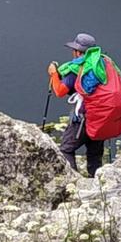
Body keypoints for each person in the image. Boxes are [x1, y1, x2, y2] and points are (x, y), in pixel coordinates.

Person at [47, 32, 111, 177]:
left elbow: (60, 91)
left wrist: (54, 75)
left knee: (66, 149)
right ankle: (97, 184)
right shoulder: (101, 65)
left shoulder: (77, 69)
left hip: (82, 119)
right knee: (94, 155)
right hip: (100, 117)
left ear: (77, 52)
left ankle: (75, 181)